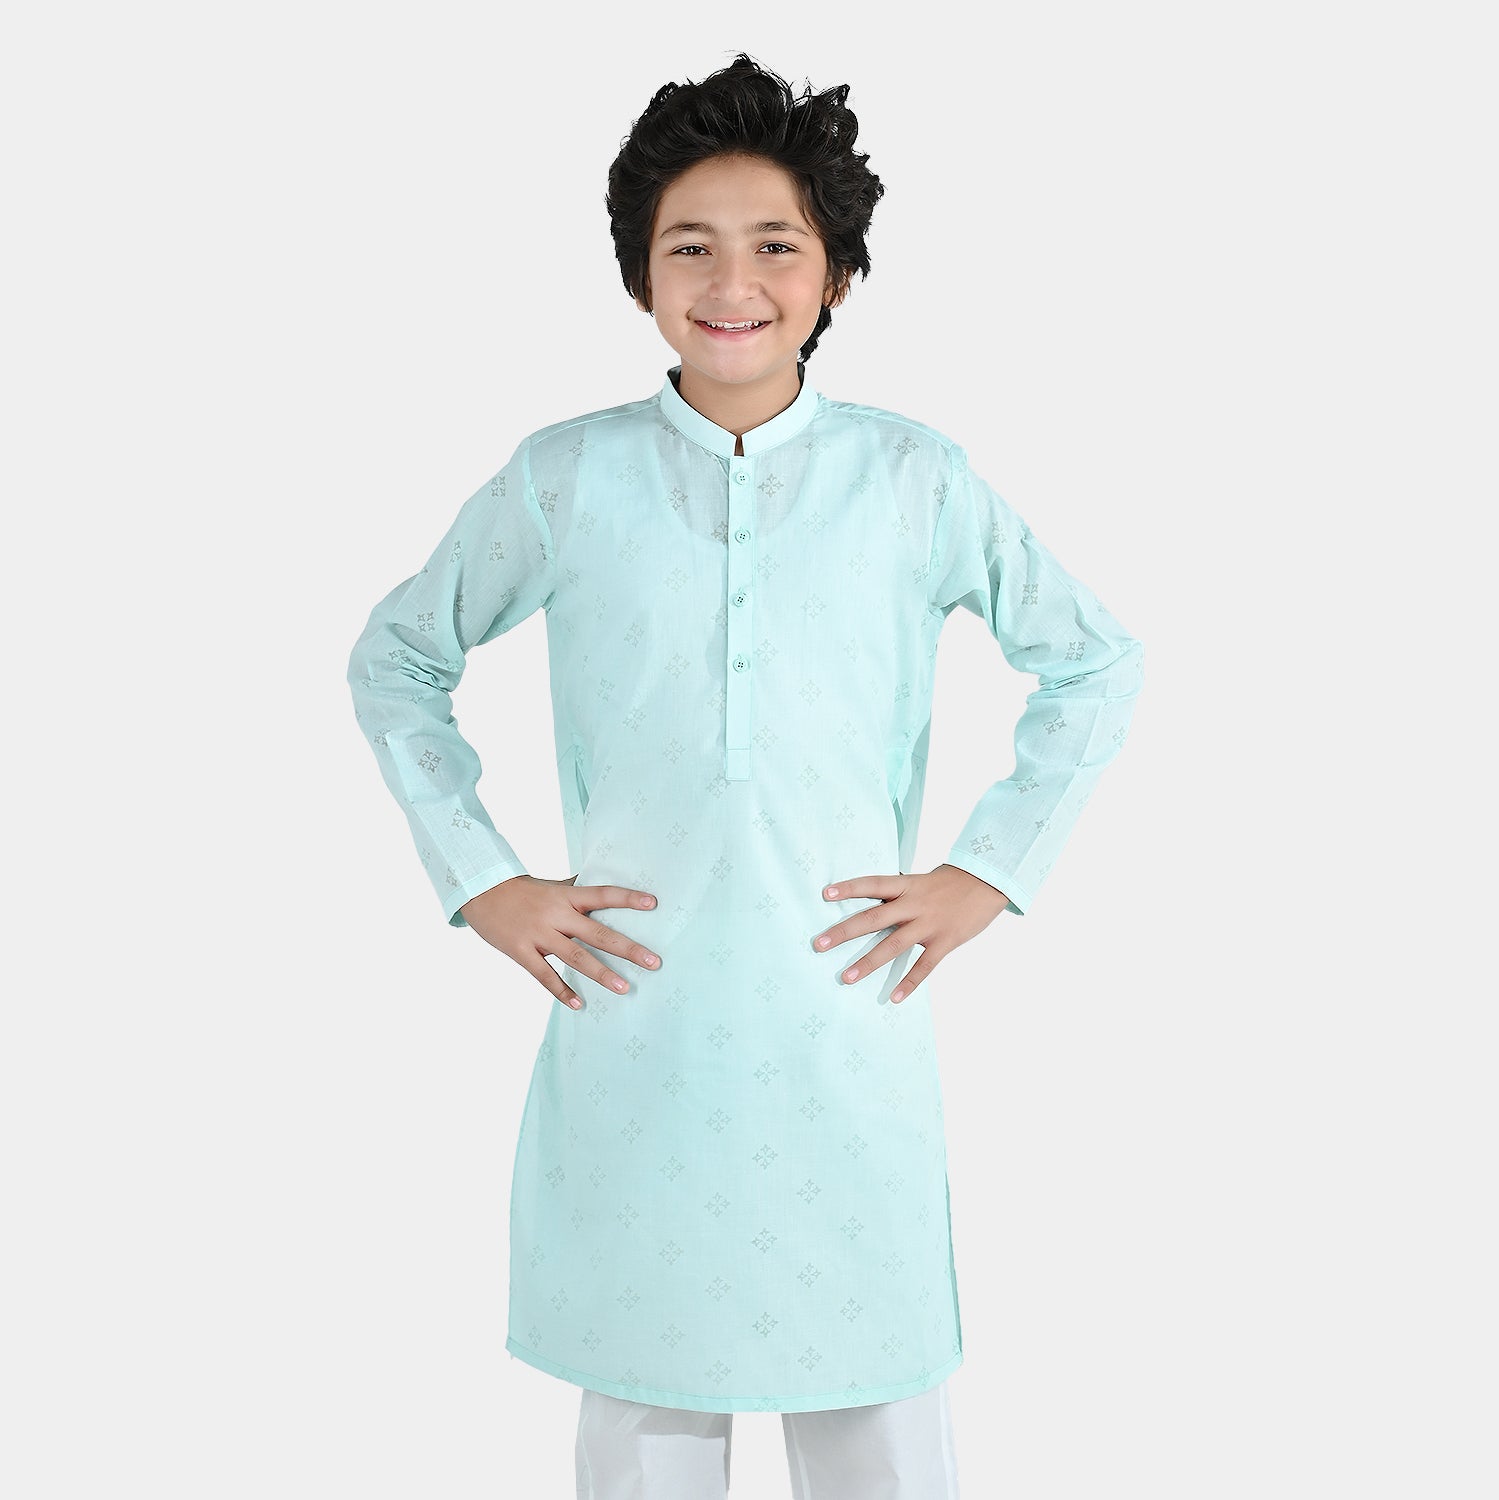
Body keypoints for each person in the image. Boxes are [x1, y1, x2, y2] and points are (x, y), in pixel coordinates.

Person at [347, 51, 1143, 1500]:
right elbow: (398, 659)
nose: (733, 284)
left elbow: (1093, 663)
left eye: (777, 245)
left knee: (878, 1420)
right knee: (644, 1409)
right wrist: (483, 879)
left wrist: (988, 872)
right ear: (638, 274)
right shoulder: (565, 480)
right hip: (637, 1023)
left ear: (836, 272)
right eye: (689, 247)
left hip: (846, 1018)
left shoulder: (914, 481)